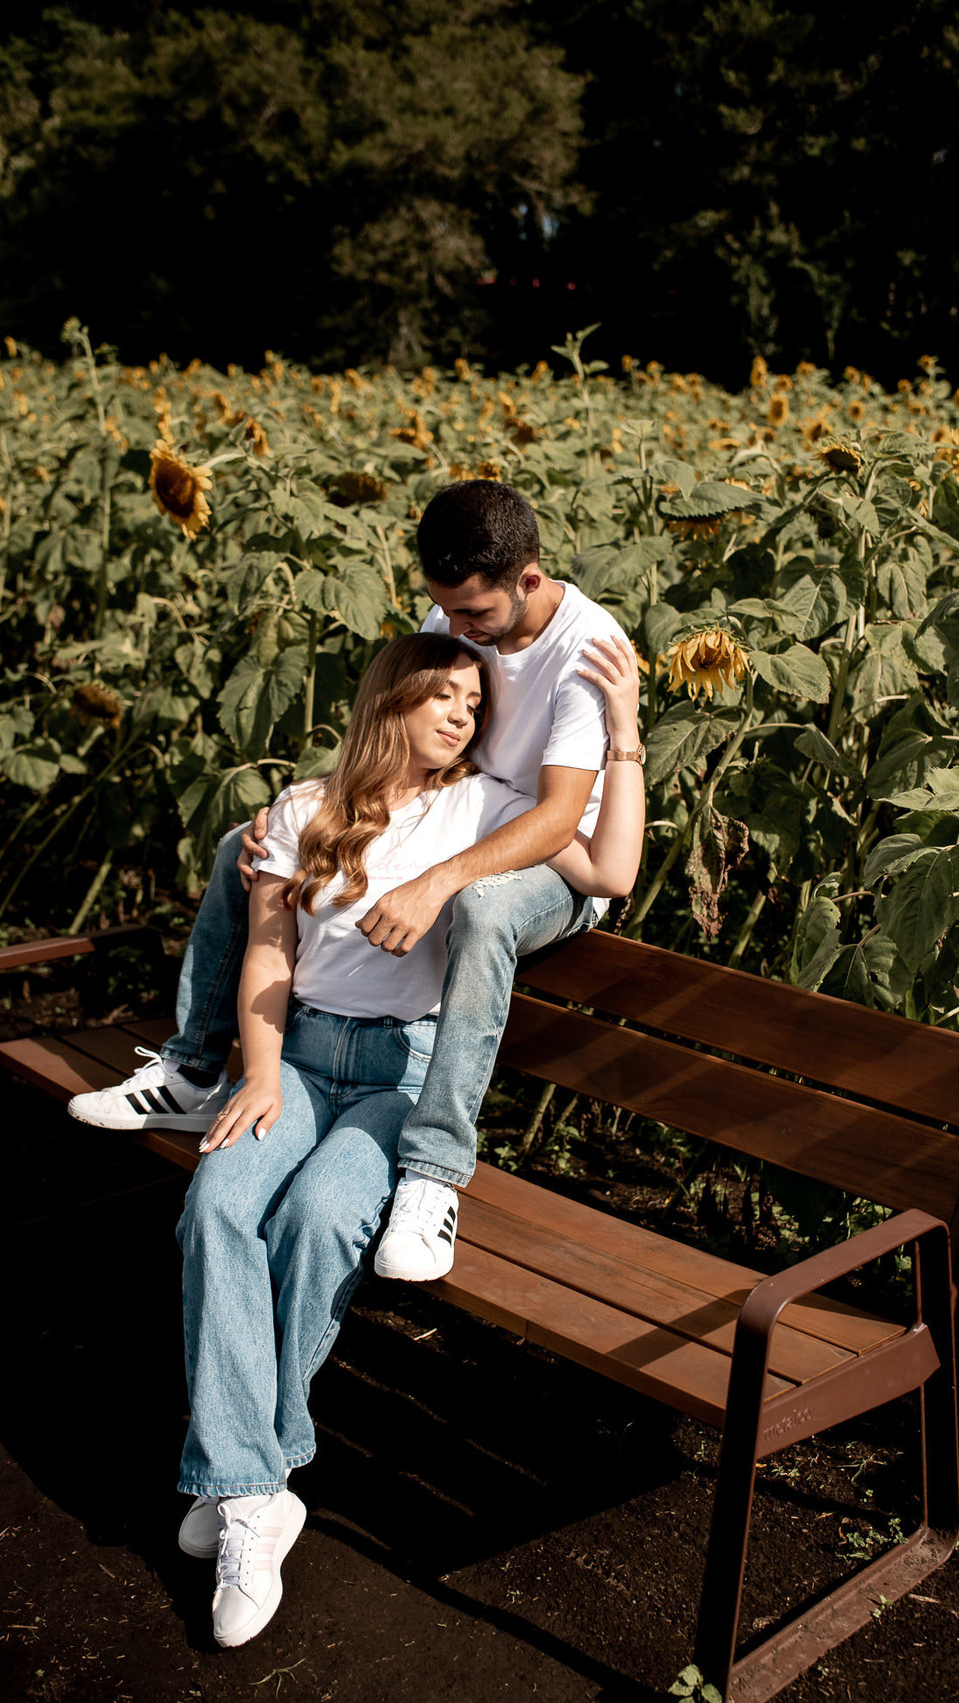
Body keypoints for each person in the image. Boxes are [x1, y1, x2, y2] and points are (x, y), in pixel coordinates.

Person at [173, 630, 643, 1649]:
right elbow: (267, 952)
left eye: (474, 704)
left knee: (321, 1215)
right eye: (443, 696)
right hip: (297, 1060)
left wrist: (624, 732)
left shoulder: (488, 809)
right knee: (214, 1208)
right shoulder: (302, 809)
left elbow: (610, 867)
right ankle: (264, 1489)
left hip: (401, 1079)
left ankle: (242, 1480)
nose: (463, 716)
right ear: (389, 700)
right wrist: (257, 1074)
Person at [69, 481, 642, 1280]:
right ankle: (195, 1067)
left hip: (552, 862)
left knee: (481, 907)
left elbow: (557, 821)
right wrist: (308, 813)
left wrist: (434, 882)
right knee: (252, 841)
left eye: (475, 617)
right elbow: (401, 714)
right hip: (456, 808)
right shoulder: (453, 612)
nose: (458, 630)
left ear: (530, 581)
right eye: (446, 612)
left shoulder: (587, 649)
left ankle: (434, 1171)